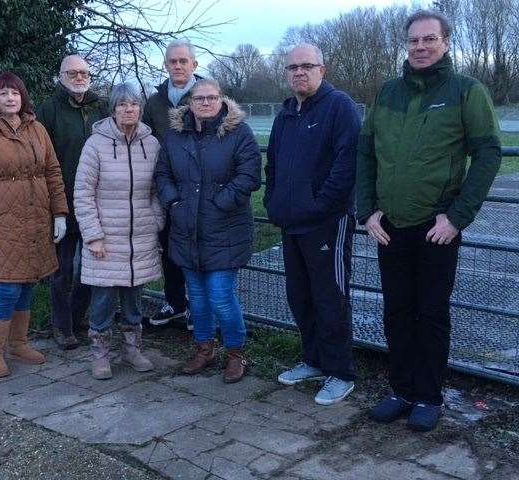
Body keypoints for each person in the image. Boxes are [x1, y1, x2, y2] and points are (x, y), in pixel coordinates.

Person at [356, 10, 501, 431]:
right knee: (396, 312)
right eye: (413, 41)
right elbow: (365, 154)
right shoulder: (386, 93)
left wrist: (457, 218)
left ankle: (429, 396)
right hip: (389, 226)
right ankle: (400, 390)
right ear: (406, 45)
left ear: (446, 43)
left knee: (431, 313)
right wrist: (367, 211)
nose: (420, 47)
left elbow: (488, 154)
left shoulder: (465, 91)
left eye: (429, 40)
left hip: (436, 229)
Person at [264, 44, 361, 405]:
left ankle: (341, 372)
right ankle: (314, 360)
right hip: (292, 224)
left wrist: (320, 206)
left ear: (323, 68)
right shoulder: (286, 113)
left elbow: (346, 164)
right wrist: (274, 203)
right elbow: (272, 164)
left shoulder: (339, 106)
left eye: (307, 66)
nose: (299, 72)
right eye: (293, 67)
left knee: (330, 297)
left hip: (327, 224)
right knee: (300, 296)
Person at [155, 79, 262, 384]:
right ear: (190, 102)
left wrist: (221, 201)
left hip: (225, 229)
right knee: (198, 299)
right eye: (199, 98)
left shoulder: (237, 132)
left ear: (221, 99)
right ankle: (204, 348)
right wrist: (173, 200)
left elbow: (249, 173)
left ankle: (235, 353)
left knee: (220, 297)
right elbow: (162, 173)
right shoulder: (175, 135)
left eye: (211, 97)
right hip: (186, 230)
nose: (205, 102)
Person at [0, 72, 68, 378]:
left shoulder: (37, 129)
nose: (10, 98)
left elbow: (52, 172)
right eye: (3, 93)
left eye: (15, 93)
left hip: (36, 219)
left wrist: (59, 213)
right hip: (2, 221)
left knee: (28, 282)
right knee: (8, 286)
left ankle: (18, 343)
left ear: (23, 97)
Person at [74, 83, 164, 380]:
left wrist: (155, 221)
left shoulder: (150, 144)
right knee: (102, 299)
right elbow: (83, 193)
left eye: (134, 104)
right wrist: (94, 235)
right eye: (123, 105)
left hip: (139, 236)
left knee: (133, 298)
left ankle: (131, 349)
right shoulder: (95, 145)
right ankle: (100, 354)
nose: (129, 110)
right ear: (113, 109)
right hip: (106, 238)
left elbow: (157, 190)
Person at [36, 55, 106, 350]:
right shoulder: (49, 110)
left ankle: (78, 318)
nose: (79, 77)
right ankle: (61, 326)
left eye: (84, 72)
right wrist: (53, 204)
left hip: (95, 202)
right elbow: (41, 159)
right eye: (72, 72)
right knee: (62, 270)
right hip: (62, 202)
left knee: (91, 269)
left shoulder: (101, 106)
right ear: (61, 76)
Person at [143, 39, 202, 329]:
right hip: (166, 184)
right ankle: (175, 302)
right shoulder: (155, 101)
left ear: (194, 65)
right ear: (165, 65)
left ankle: (197, 305)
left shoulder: (207, 95)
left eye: (183, 61)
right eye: (172, 62)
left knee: (197, 247)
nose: (177, 66)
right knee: (168, 246)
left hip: (199, 186)